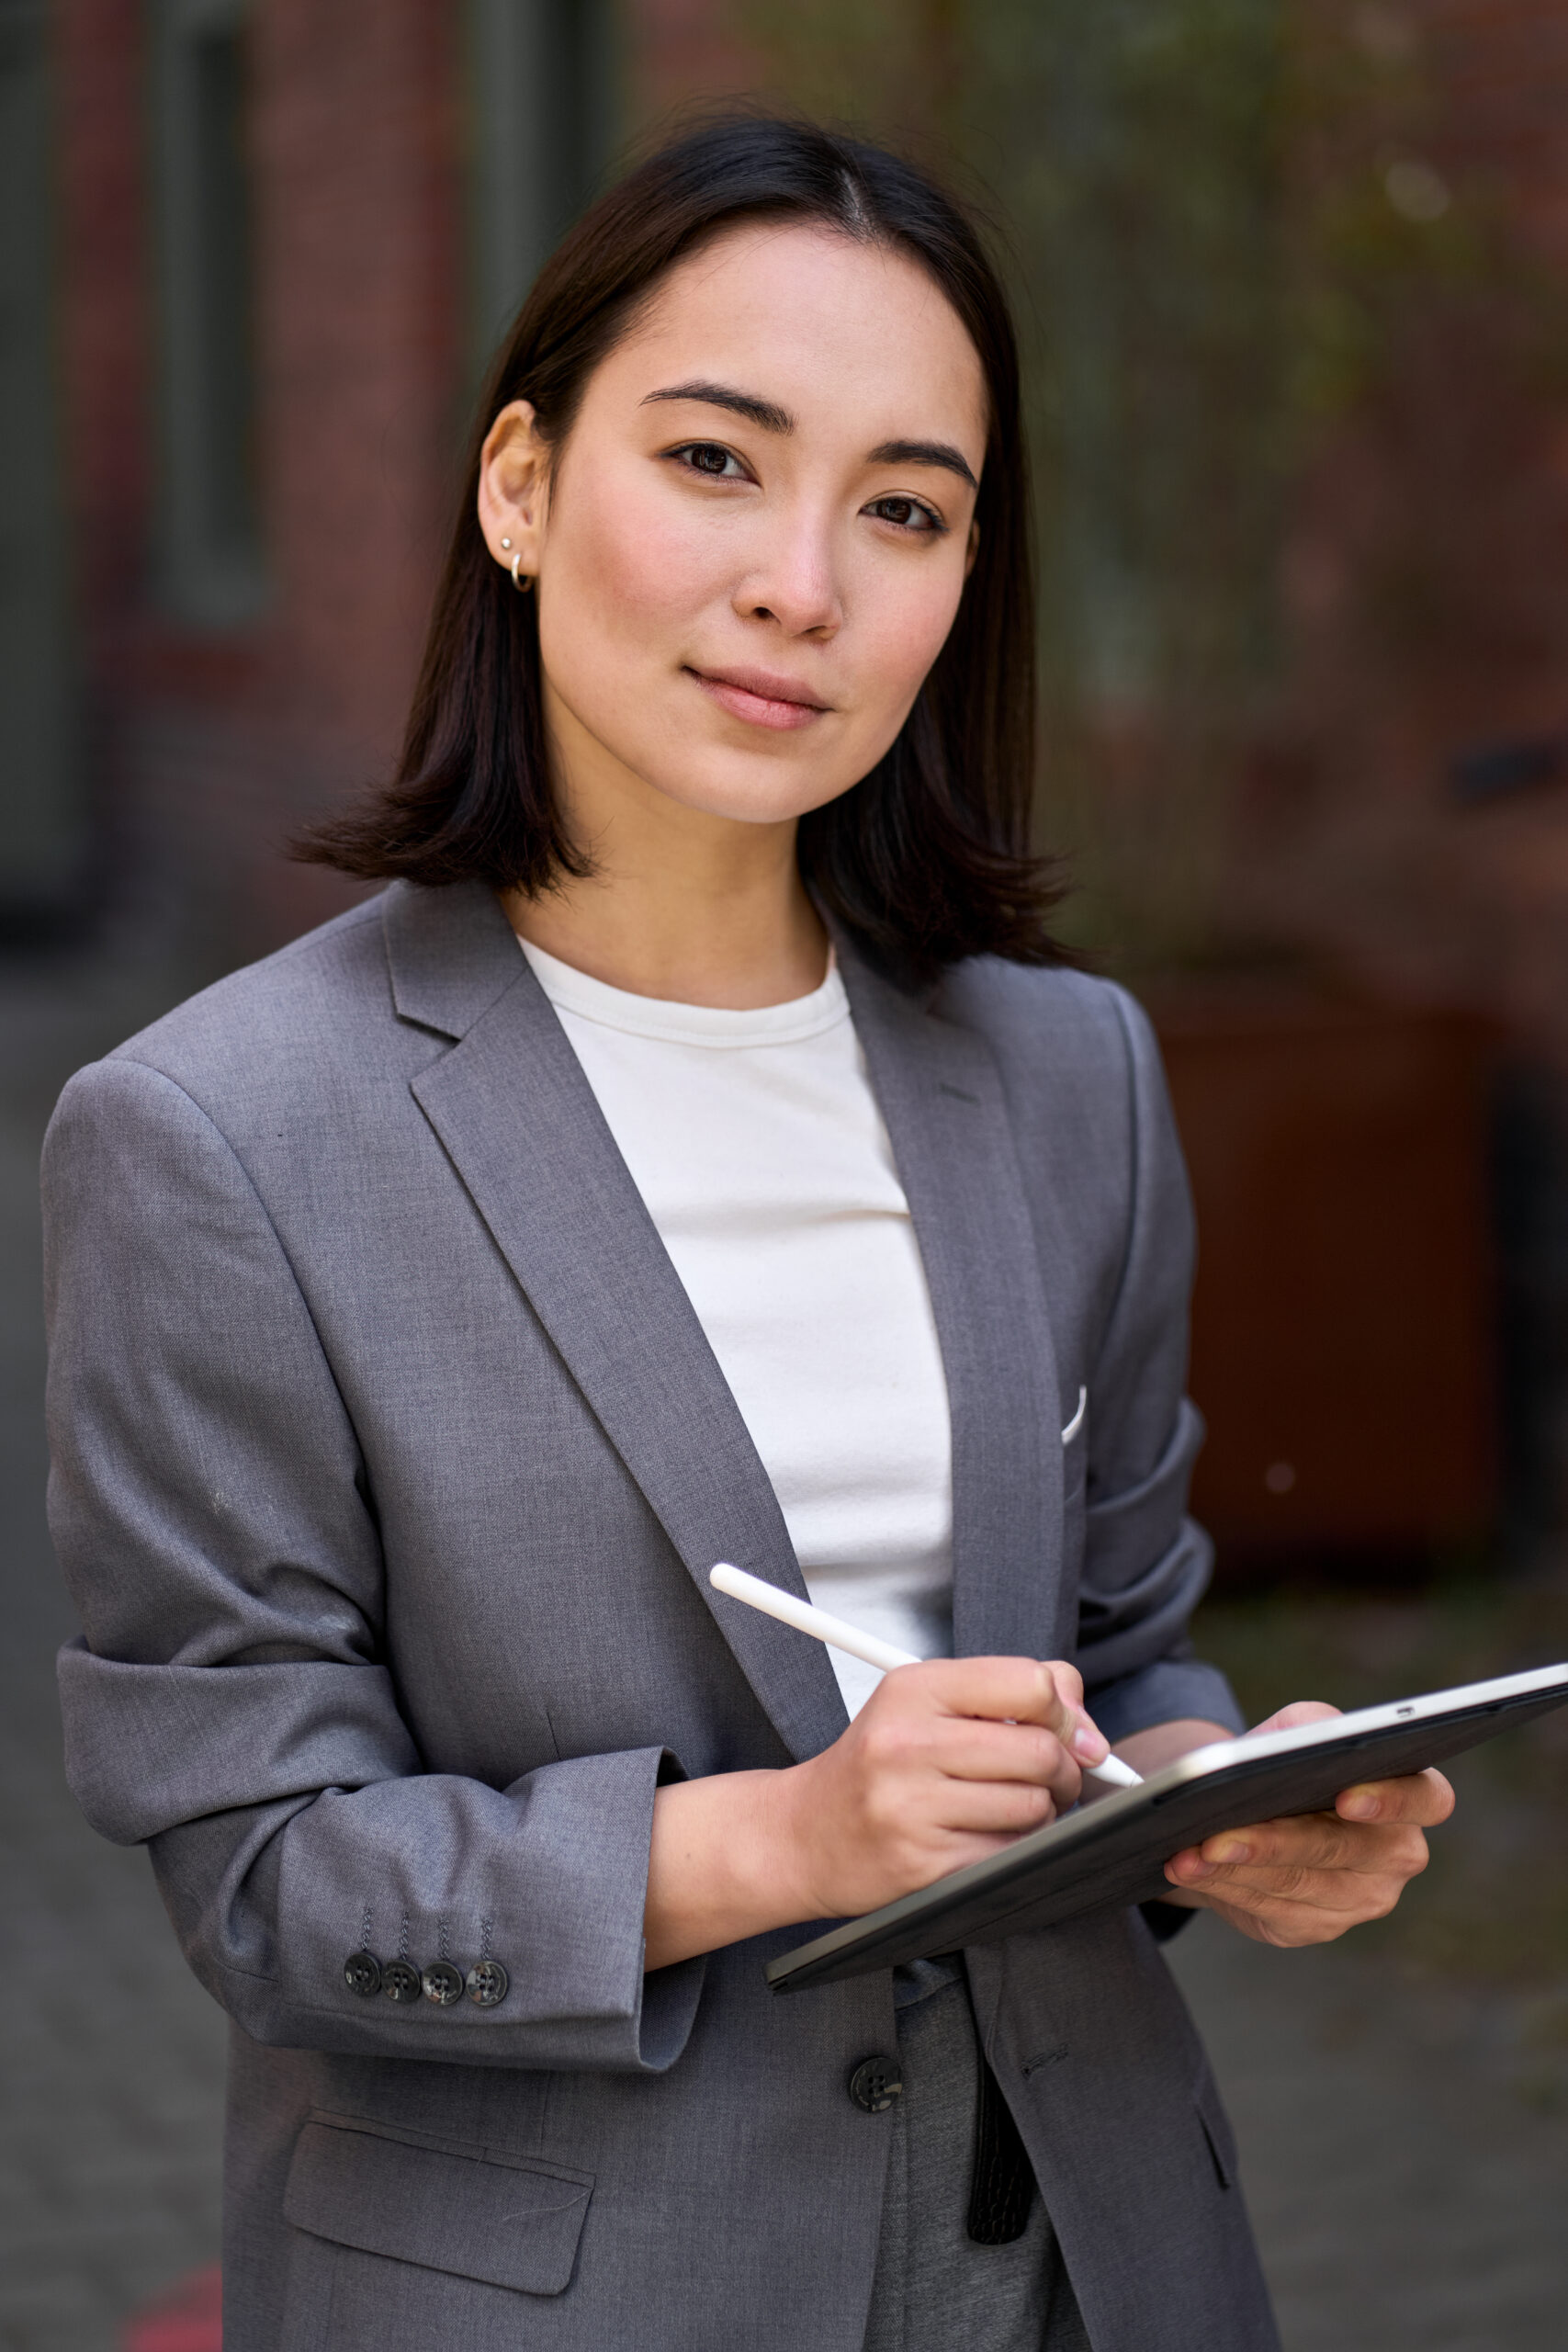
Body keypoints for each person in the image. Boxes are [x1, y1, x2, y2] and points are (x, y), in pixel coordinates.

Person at [43, 113, 1452, 2352]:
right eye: (714, 460)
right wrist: (787, 1840)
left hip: (1091, 2256)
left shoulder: (1068, 1068)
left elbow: (1120, 1627)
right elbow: (263, 1873)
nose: (805, 579)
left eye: (903, 508)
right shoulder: (221, 1136)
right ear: (517, 485)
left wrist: (1198, 1796)